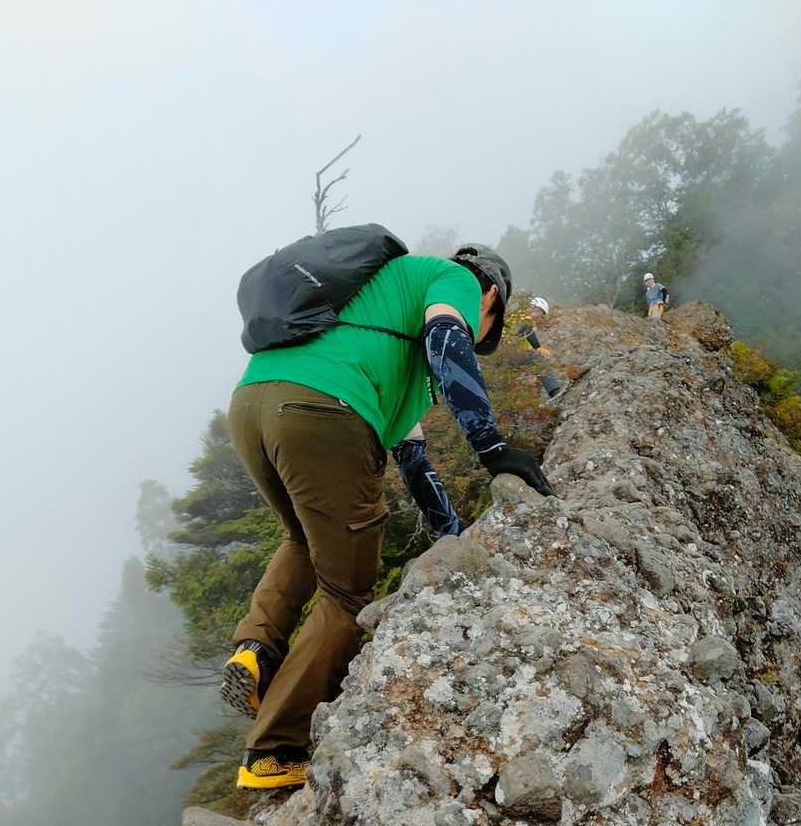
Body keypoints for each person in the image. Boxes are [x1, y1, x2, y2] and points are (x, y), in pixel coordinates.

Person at [221, 244, 556, 790]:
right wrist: (492, 448)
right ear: (491, 296)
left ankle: (256, 653)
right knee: (347, 594)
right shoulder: (456, 279)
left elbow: (412, 459)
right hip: (322, 409)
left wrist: (452, 535)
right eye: (486, 328)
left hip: (251, 405)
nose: (477, 331)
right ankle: (273, 751)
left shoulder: (384, 318)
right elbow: (447, 339)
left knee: (303, 538)